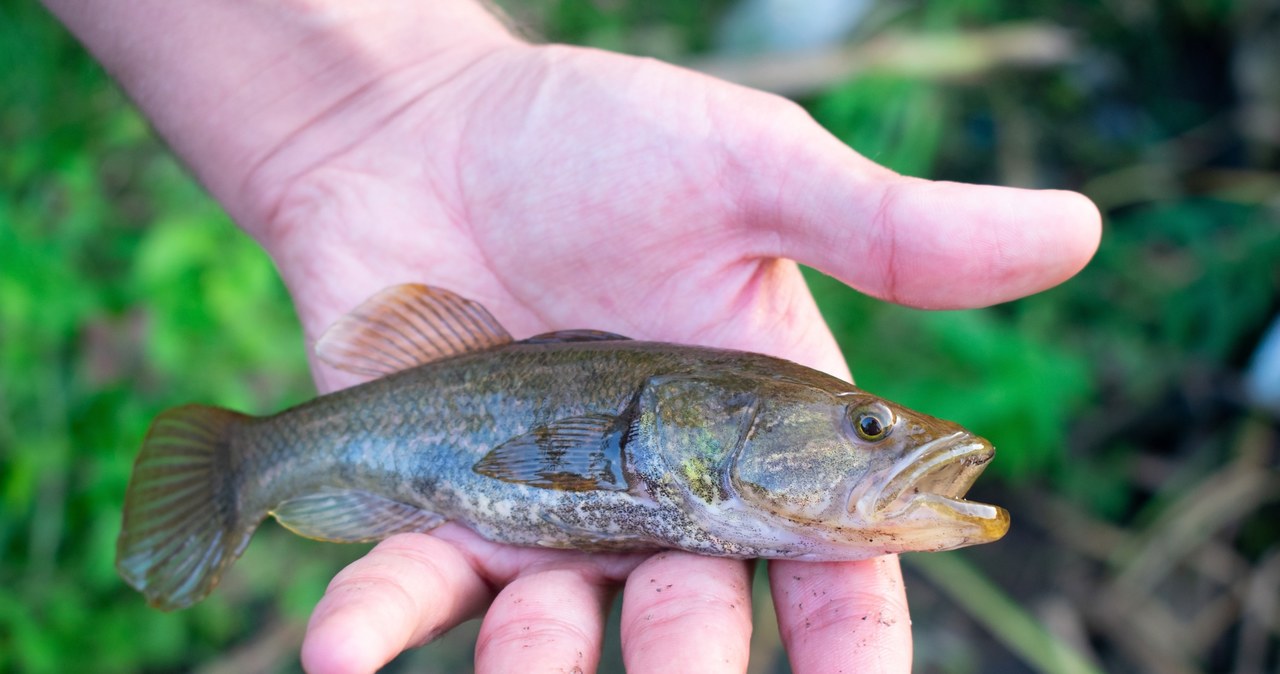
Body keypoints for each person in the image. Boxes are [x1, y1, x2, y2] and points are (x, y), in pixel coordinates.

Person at [44, 1, 1100, 672]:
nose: (886, 436)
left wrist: (383, 97)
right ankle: (240, 459)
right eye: (865, 426)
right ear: (707, 426)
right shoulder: (663, 446)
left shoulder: (693, 460)